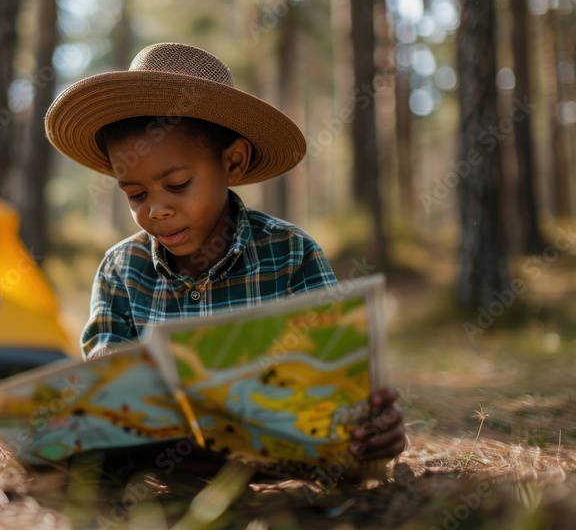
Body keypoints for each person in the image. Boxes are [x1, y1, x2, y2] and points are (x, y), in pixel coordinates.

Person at [44, 42, 405, 470]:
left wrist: (366, 429)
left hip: (279, 463)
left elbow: (335, 377)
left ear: (233, 162)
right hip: (160, 468)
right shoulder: (121, 271)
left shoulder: (291, 254)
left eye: (178, 184)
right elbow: (106, 376)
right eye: (136, 194)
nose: (156, 210)